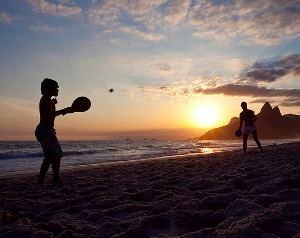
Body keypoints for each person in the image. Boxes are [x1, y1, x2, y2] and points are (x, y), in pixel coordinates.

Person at [35, 78, 74, 184]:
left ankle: (40, 181)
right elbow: (49, 114)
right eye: (56, 88)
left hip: (43, 129)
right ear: (50, 89)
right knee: (57, 153)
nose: (57, 90)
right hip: (45, 129)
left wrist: (53, 103)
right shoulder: (46, 99)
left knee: (48, 157)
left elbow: (48, 110)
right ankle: (56, 179)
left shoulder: (47, 99)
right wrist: (65, 110)